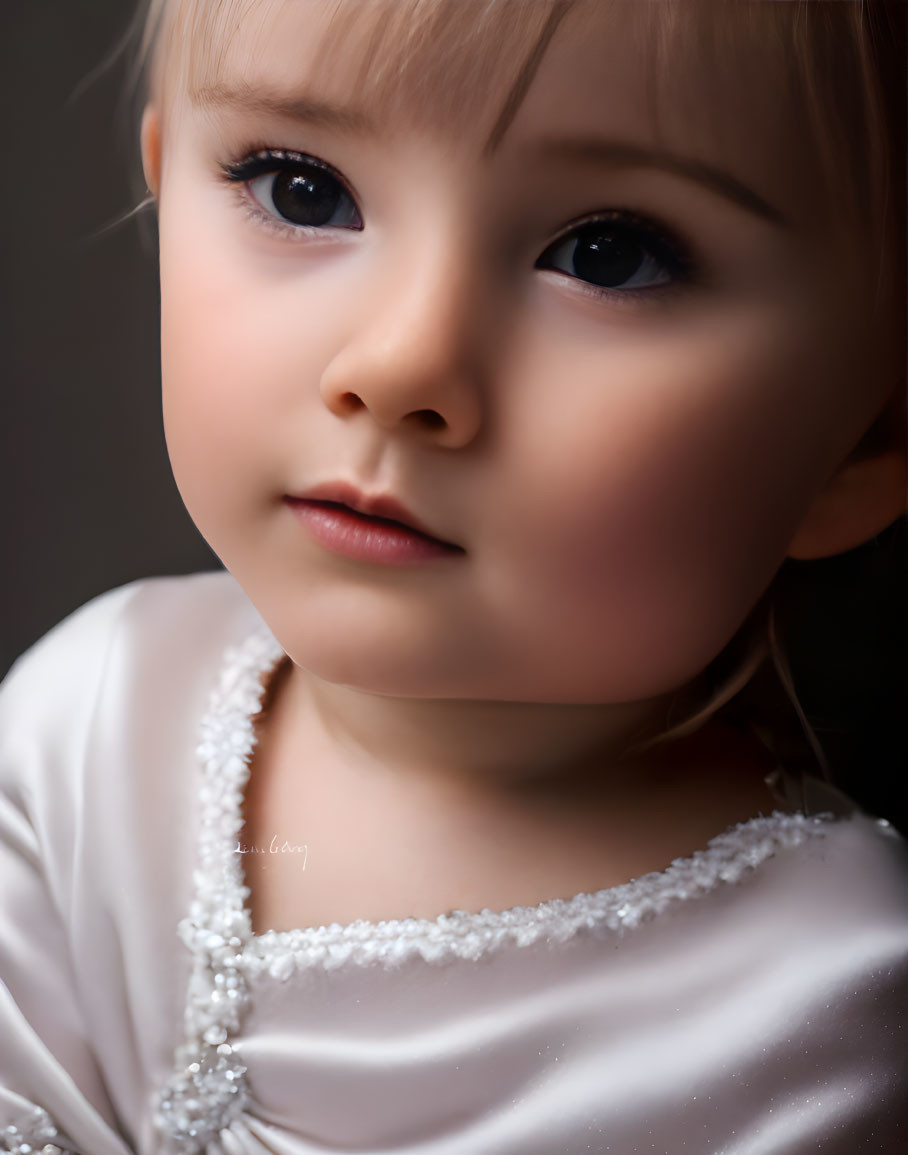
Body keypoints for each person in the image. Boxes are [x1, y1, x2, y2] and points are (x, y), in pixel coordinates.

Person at [2, 0, 906, 1151]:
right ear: (164, 179)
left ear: (868, 436)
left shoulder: (816, 1008)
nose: (399, 363)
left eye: (607, 254)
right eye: (302, 189)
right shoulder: (89, 724)